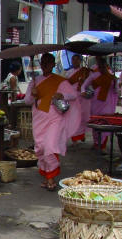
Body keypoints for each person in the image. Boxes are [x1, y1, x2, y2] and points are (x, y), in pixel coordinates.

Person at [24, 53, 80, 191]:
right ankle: (46, 176)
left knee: (50, 146)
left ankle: (51, 179)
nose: (45, 65)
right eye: (43, 62)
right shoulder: (35, 81)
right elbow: (27, 101)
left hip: (55, 118)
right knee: (41, 148)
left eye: (48, 62)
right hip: (39, 119)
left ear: (53, 64)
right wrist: (33, 94)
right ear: (41, 64)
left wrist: (63, 95)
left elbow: (73, 95)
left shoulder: (60, 81)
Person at [81, 56, 118, 150]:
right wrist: (83, 92)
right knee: (96, 123)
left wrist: (115, 81)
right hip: (95, 103)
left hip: (107, 104)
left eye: (103, 67)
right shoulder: (94, 75)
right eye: (100, 67)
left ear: (106, 66)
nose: (102, 69)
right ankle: (97, 142)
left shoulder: (111, 76)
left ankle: (103, 145)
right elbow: (84, 85)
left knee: (105, 123)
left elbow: (116, 90)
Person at [65, 54, 92, 143]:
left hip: (83, 97)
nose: (75, 61)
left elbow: (90, 84)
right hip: (72, 97)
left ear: (80, 61)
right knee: (73, 117)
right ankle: (75, 138)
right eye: (73, 60)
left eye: (77, 60)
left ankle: (82, 135)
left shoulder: (85, 71)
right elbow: (66, 85)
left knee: (83, 116)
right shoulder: (68, 72)